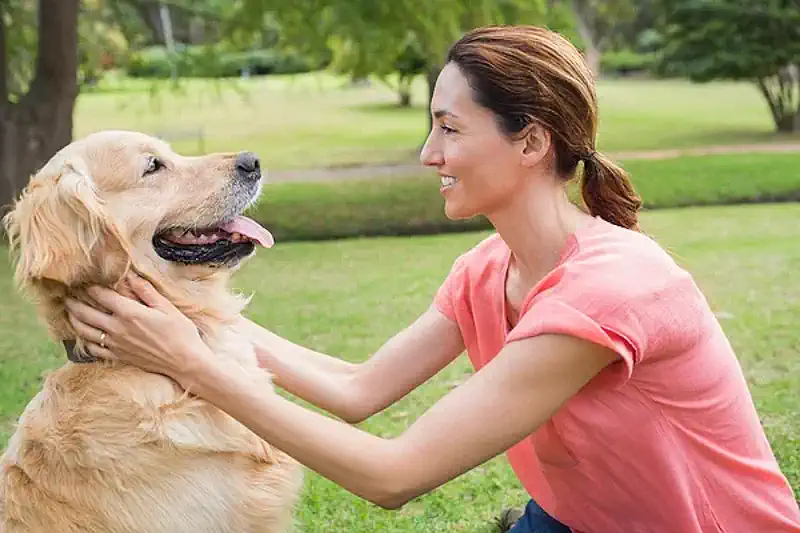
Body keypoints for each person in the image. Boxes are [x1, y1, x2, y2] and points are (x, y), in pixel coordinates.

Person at [64, 25, 800, 533]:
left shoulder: (612, 289)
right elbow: (358, 389)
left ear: (532, 141)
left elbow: (394, 474)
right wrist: (185, 315)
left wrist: (189, 359)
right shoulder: (487, 270)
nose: (427, 153)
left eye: (450, 128)